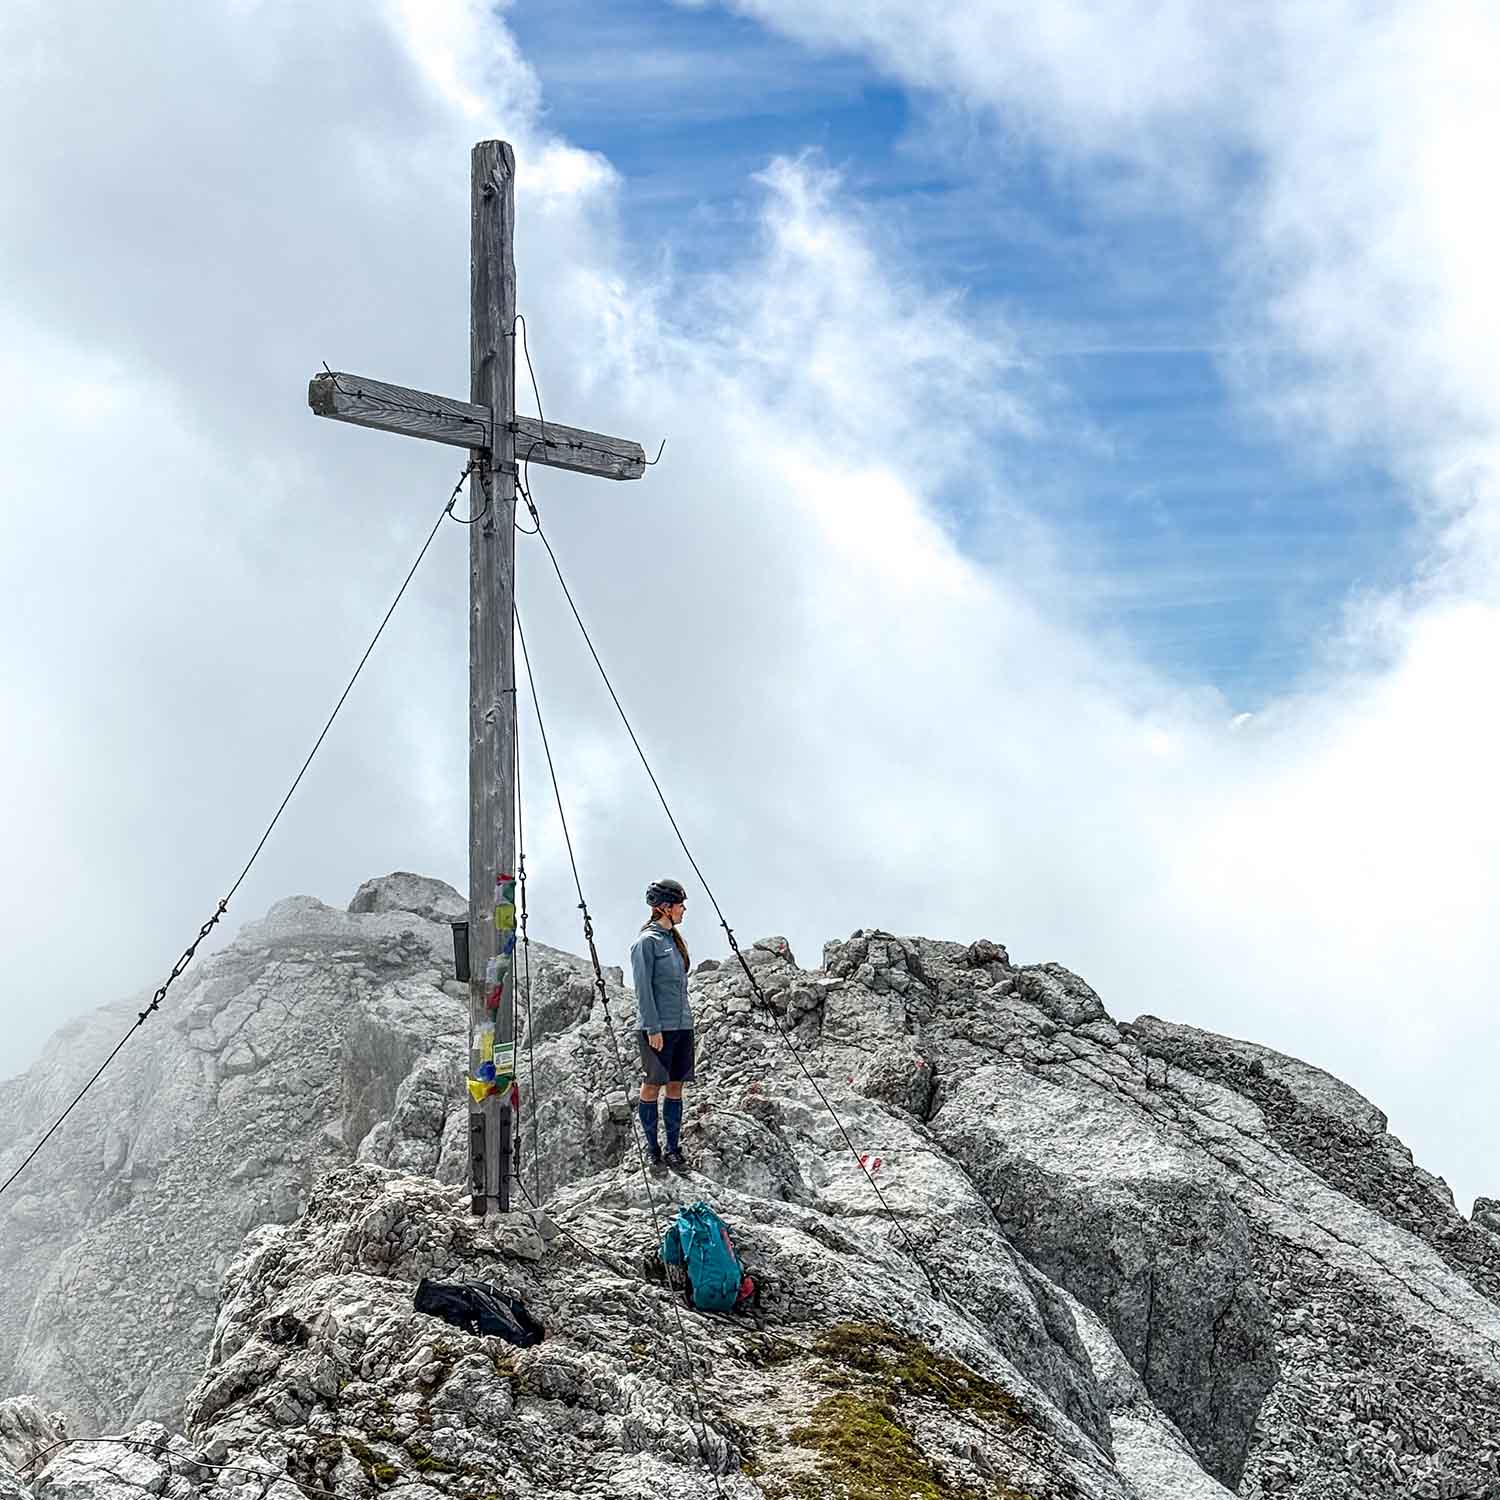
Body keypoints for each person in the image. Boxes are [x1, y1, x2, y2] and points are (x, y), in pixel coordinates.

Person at [631, 877, 693, 1170]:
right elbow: (643, 990)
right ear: (666, 908)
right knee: (652, 1085)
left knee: (675, 1085)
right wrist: (652, 1028)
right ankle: (653, 1150)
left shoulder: (673, 941)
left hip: (681, 1025)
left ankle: (673, 1149)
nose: (683, 910)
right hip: (658, 1028)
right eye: (680, 904)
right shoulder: (647, 943)